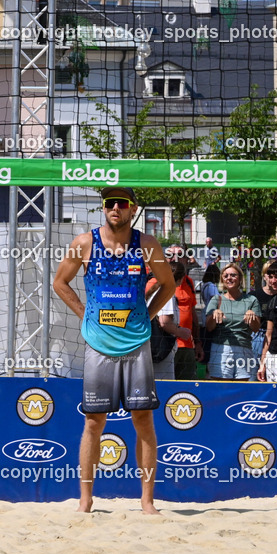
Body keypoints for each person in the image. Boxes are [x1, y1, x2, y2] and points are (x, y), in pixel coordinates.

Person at [53, 186, 173, 515]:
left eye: (121, 203)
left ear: (133, 208)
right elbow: (59, 283)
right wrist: (84, 315)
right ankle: (85, 500)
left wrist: (146, 316)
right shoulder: (84, 243)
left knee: (143, 419)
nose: (114, 207)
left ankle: (147, 502)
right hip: (99, 345)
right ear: (103, 208)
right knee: (94, 422)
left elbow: (169, 284)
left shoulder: (146, 244)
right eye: (109, 203)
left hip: (136, 344)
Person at [205, 263, 261, 380]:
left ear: (240, 279)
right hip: (221, 349)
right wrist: (214, 315)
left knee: (243, 389)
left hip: (244, 348)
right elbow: (209, 327)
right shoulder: (217, 299)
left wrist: (253, 317)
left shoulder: (251, 300)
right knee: (221, 388)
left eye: (233, 275)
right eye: (225, 276)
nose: (229, 278)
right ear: (222, 279)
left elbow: (256, 328)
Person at [151, 261, 192, 381]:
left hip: (156, 348)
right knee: (164, 385)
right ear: (181, 279)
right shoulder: (167, 294)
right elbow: (164, 322)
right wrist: (181, 331)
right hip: (161, 350)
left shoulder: (156, 291)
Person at [162, 246, 198, 381]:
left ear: (186, 259)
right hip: (166, 345)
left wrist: (198, 342)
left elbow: (192, 312)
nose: (175, 258)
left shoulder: (188, 281)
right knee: (166, 384)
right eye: (170, 255)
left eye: (179, 255)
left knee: (187, 386)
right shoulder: (158, 282)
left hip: (187, 344)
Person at [247, 263, 276, 380]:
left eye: (276, 274)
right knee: (253, 376)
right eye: (269, 274)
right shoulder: (253, 296)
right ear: (264, 276)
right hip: (257, 337)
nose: (272, 278)